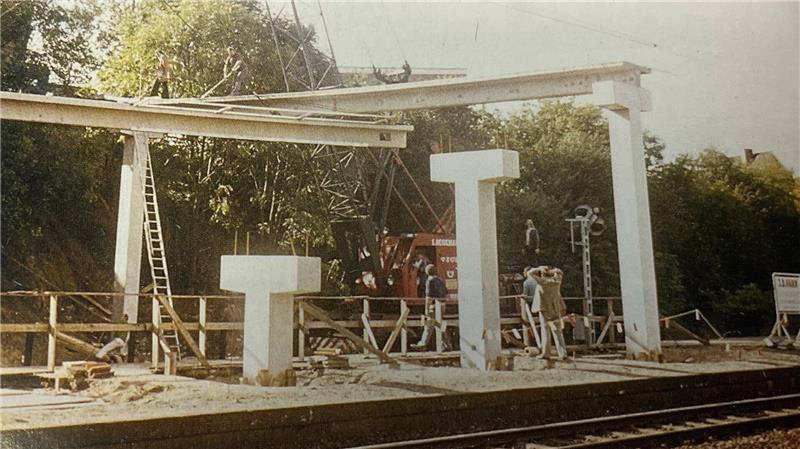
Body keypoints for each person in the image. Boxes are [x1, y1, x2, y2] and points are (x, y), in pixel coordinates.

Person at [530, 266, 568, 360]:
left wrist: (539, 268)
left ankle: (546, 353)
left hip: (544, 309)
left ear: (543, 275)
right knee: (557, 331)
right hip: (555, 308)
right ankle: (562, 353)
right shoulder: (557, 282)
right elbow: (560, 271)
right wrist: (552, 271)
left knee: (545, 331)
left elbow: (530, 273)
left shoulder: (542, 282)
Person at [411, 264, 448, 350]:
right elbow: (446, 292)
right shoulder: (440, 280)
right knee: (438, 325)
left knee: (429, 325)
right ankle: (446, 344)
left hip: (434, 306)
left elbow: (429, 297)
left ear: (427, 272)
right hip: (442, 305)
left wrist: (427, 309)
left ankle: (423, 344)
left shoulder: (429, 281)